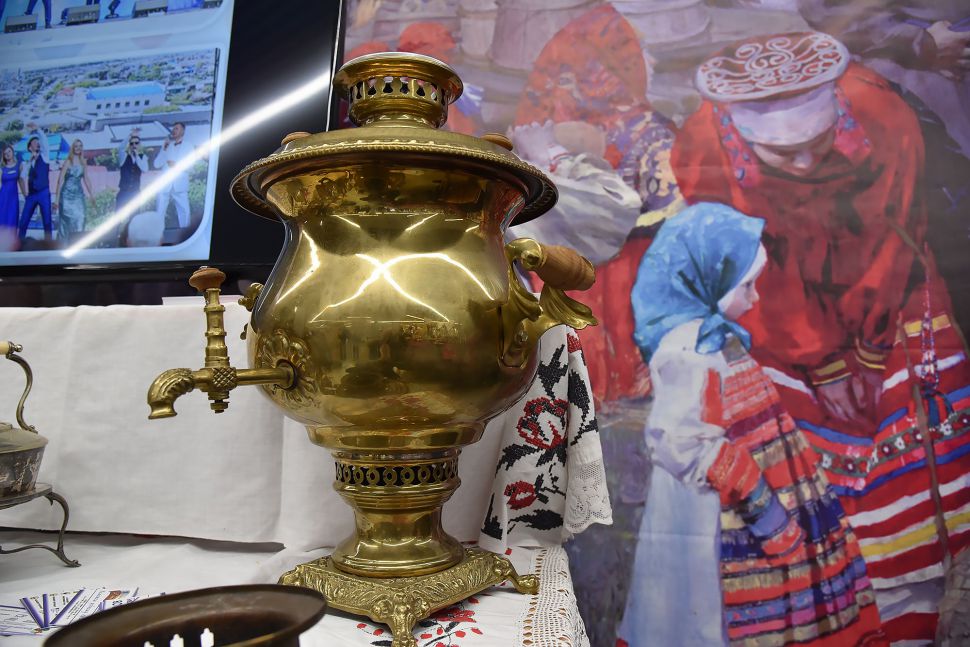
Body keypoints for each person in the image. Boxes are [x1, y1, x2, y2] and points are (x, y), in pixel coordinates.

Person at [672, 31, 970, 642]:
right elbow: (743, 264)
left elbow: (890, 239)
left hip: (890, 294)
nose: (806, 165)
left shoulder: (882, 113)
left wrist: (866, 352)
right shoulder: (702, 146)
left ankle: (921, 605)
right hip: (772, 310)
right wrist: (820, 362)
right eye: (785, 154)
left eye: (818, 144)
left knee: (920, 469)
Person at [617, 203, 883, 646]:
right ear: (708, 280)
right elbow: (682, 442)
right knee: (704, 613)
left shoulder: (714, 339)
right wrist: (763, 508)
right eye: (746, 286)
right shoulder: (690, 351)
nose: (755, 298)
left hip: (739, 499)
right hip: (712, 512)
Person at [152, 122, 192, 229]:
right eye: (173, 129)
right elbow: (156, 164)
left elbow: (191, 166)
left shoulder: (188, 146)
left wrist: (177, 165)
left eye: (176, 128)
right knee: (159, 211)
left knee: (184, 211)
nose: (173, 130)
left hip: (180, 184)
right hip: (165, 184)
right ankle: (157, 234)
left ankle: (185, 233)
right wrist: (164, 149)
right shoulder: (167, 146)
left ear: (183, 131)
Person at [53, 139, 93, 242]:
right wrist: (56, 200)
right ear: (73, 148)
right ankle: (63, 246)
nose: (78, 148)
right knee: (66, 223)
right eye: (76, 146)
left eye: (80, 146)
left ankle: (78, 244)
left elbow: (86, 178)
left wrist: (91, 194)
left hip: (78, 196)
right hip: (66, 196)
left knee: (81, 218)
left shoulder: (83, 162)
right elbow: (60, 180)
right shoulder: (68, 162)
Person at [17, 125, 52, 241]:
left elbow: (44, 141)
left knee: (47, 222)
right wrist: (24, 194)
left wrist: (38, 130)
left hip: (43, 192)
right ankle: (19, 244)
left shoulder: (45, 156)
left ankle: (49, 245)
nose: (38, 143)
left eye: (38, 142)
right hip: (31, 195)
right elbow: (22, 177)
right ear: (29, 147)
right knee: (23, 222)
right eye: (35, 142)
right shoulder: (27, 163)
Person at [115, 129, 148, 246]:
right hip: (124, 192)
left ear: (139, 145)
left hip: (135, 193)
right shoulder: (124, 157)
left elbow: (145, 168)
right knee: (118, 217)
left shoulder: (143, 157)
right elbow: (120, 148)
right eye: (132, 143)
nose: (134, 145)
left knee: (134, 218)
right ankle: (115, 239)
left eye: (136, 143)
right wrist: (129, 136)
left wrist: (137, 155)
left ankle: (133, 241)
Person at [0, 144, 19, 244]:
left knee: (12, 219)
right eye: (5, 153)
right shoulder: (1, 169)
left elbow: (22, 181)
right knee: (2, 219)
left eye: (9, 151)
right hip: (3, 197)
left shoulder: (19, 166)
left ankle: (11, 243)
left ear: (13, 152)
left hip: (13, 198)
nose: (7, 154)